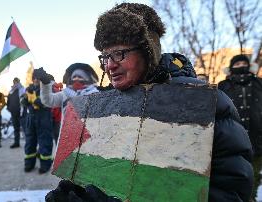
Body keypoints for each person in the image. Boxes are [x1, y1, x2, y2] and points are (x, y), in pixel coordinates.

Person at [45, 3, 253, 202]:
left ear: (147, 51)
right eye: (105, 56)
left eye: (119, 53)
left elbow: (230, 192)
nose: (109, 66)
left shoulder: (203, 102)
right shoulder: (104, 108)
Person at [218, 54, 262, 200]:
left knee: (254, 177)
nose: (241, 66)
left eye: (244, 63)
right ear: (230, 68)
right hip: (231, 142)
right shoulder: (223, 86)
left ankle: (253, 197)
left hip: (258, 140)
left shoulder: (259, 83)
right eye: (237, 64)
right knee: (234, 178)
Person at [33, 63, 99, 113]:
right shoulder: (65, 94)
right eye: (74, 77)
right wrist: (45, 83)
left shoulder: (96, 94)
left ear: (87, 79)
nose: (76, 79)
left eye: (80, 76)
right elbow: (47, 101)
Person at [21, 75, 53, 174]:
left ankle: (45, 165)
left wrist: (35, 100)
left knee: (45, 143)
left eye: (38, 78)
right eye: (34, 78)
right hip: (31, 120)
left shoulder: (47, 89)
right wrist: (26, 98)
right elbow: (23, 103)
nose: (35, 80)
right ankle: (29, 164)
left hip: (43, 120)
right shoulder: (29, 89)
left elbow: (48, 103)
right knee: (30, 143)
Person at [6, 77, 25, 148]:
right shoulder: (11, 91)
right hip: (13, 113)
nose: (15, 83)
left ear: (19, 82)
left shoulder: (22, 90)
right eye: (14, 82)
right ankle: (16, 143)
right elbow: (8, 101)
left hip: (22, 113)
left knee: (25, 129)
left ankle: (29, 143)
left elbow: (25, 100)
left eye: (17, 81)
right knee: (16, 129)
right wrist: (9, 108)